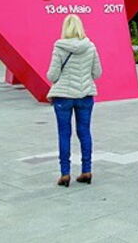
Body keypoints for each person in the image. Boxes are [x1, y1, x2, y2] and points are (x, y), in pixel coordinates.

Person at [47, 14, 102, 187]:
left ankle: (65, 174)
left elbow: (52, 75)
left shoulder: (59, 47)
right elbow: (97, 73)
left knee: (64, 134)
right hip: (85, 95)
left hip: (63, 97)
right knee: (84, 132)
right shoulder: (90, 46)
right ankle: (86, 170)